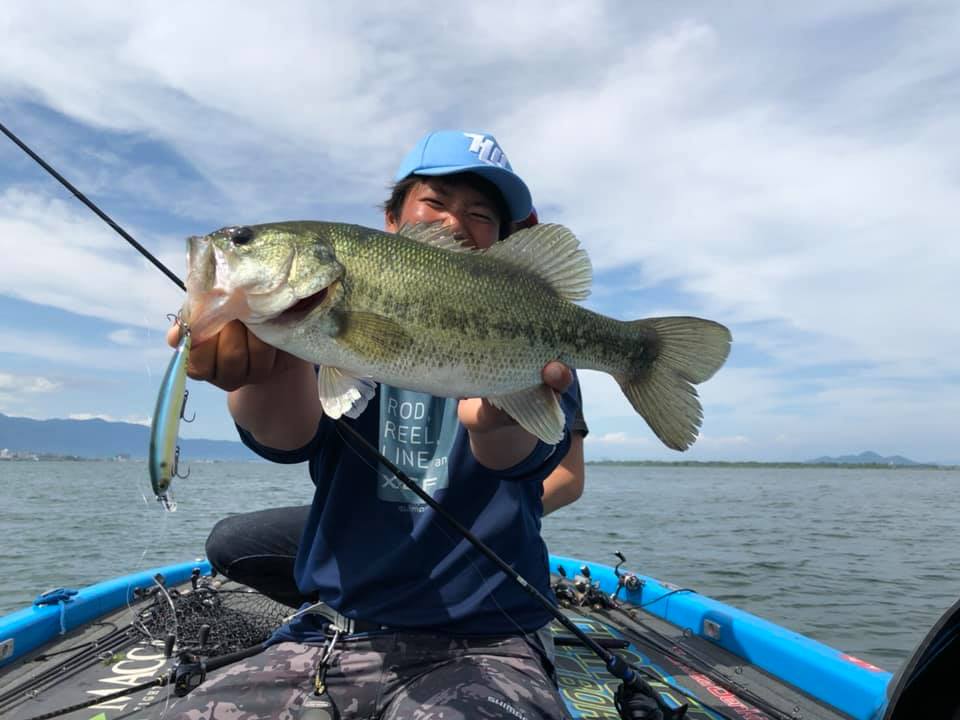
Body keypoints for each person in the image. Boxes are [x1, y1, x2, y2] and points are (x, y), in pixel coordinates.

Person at [169, 130, 588, 719]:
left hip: (491, 632)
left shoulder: (536, 347)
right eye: (435, 202)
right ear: (392, 220)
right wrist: (260, 373)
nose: (455, 221)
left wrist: (498, 429)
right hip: (340, 628)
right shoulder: (320, 325)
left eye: (480, 214)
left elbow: (544, 462)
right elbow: (287, 435)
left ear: (501, 239)